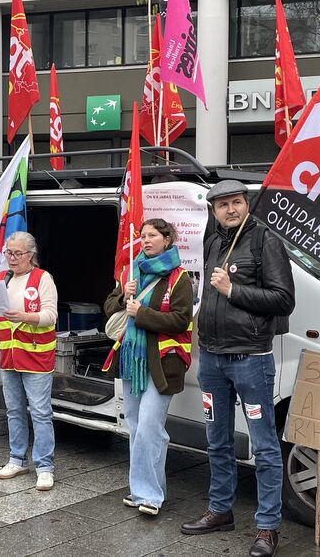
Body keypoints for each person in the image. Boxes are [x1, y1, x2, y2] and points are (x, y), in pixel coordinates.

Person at [181, 181, 295, 557]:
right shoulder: (213, 241)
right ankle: (220, 510)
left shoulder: (265, 241)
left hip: (250, 358)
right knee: (217, 440)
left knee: (264, 446)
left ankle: (267, 527)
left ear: (246, 205)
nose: (230, 209)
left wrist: (233, 290)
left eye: (236, 202)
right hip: (212, 358)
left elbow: (283, 300)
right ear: (213, 211)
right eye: (223, 205)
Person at [103, 218, 193, 516]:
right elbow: (108, 308)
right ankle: (146, 489)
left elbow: (181, 320)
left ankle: (150, 495)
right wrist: (120, 295)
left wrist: (142, 313)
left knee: (150, 429)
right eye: (143, 236)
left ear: (167, 239)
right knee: (137, 426)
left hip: (163, 364)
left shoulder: (180, 278)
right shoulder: (132, 270)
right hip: (132, 361)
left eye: (153, 235)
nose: (146, 240)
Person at [0, 232, 58, 491]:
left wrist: (24, 316)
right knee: (13, 410)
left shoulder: (42, 278)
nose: (12, 258)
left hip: (36, 356)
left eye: (18, 253)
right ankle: (17, 459)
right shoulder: (0, 278)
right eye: (9, 253)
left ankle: (45, 466)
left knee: (41, 413)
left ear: (31, 254)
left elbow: (51, 316)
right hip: (10, 356)